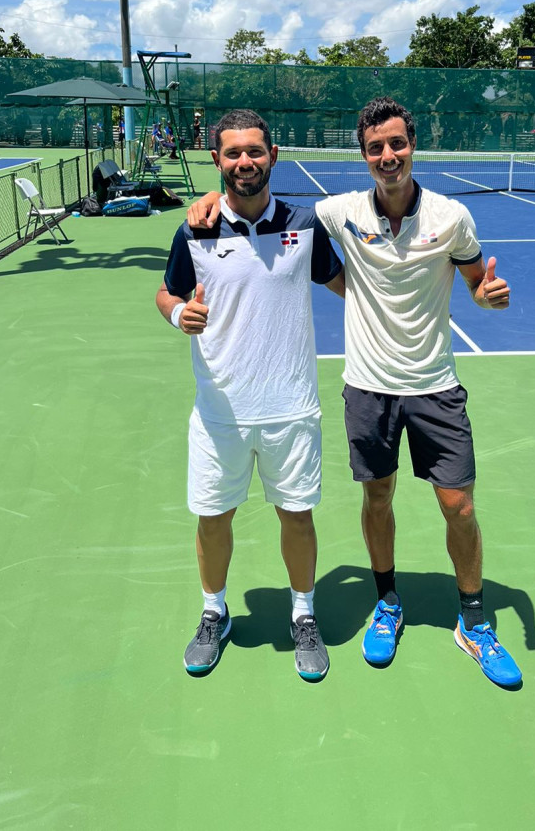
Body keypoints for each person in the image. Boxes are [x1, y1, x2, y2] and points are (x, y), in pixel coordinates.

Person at [190, 97, 522, 687]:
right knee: (378, 499)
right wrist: (211, 198)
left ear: (412, 145)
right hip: (368, 387)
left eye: (396, 144)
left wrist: (487, 296)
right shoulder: (339, 211)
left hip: (435, 385)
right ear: (364, 155)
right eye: (375, 148)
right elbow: (261, 199)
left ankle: (473, 620)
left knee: (460, 506)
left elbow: (476, 281)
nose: (387, 156)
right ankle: (387, 601)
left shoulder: (452, 217)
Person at [157, 108, 345, 682]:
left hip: (291, 410)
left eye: (255, 151)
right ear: (216, 159)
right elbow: (167, 293)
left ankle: (303, 615)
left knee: (298, 517)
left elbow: (348, 286)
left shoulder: (305, 224)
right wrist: (179, 315)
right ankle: (214, 613)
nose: (245, 162)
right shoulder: (195, 230)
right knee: (213, 519)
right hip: (220, 413)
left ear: (273, 155)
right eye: (234, 152)